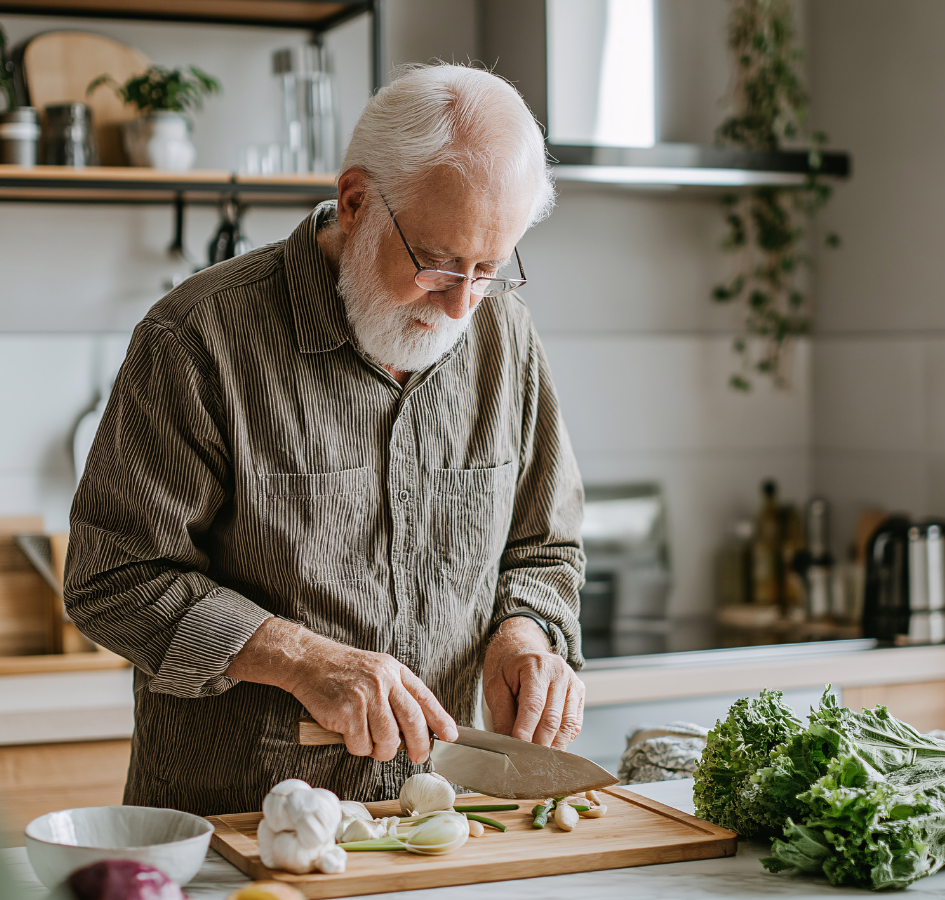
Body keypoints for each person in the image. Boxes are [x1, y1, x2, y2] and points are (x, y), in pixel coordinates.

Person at [63, 64, 586, 816]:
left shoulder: (506, 339)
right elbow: (112, 579)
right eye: (438, 264)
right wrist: (302, 660)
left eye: (490, 269)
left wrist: (526, 634)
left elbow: (546, 549)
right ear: (356, 201)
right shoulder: (198, 339)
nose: (461, 303)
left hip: (440, 822)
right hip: (237, 825)